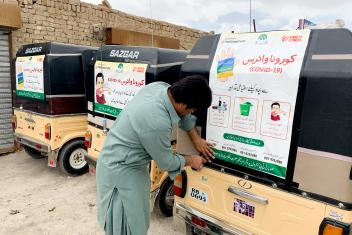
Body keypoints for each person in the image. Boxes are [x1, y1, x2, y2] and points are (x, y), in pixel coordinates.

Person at [96, 75, 214, 235]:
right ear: (184, 104)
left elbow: (183, 115)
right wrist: (191, 160)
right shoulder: (156, 121)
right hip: (121, 170)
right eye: (192, 110)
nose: (191, 113)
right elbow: (166, 162)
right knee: (127, 224)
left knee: (138, 219)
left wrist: (196, 139)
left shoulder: (160, 88)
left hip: (125, 162)